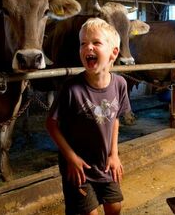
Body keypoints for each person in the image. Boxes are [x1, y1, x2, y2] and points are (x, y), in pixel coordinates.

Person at [46, 17, 131, 215]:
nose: (88, 48)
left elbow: (115, 119)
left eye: (96, 42)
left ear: (113, 53)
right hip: (79, 167)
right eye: (83, 43)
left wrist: (114, 154)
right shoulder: (71, 88)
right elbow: (51, 124)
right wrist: (71, 158)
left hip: (104, 163)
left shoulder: (120, 84)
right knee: (88, 212)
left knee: (115, 207)